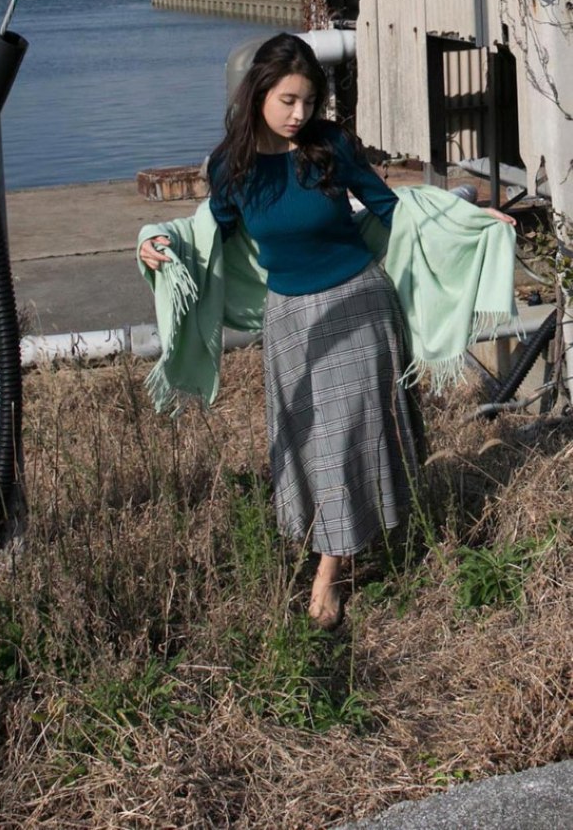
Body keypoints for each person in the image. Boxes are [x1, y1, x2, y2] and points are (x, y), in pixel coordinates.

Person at [138, 32, 514, 629]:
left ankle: (327, 572)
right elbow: (209, 231)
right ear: (258, 92)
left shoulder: (330, 146)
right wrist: (158, 242)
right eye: (288, 100)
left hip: (359, 307)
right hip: (289, 321)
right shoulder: (230, 167)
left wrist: (467, 219)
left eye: (309, 102)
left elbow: (393, 208)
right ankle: (352, 536)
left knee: (342, 440)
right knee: (308, 441)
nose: (299, 115)